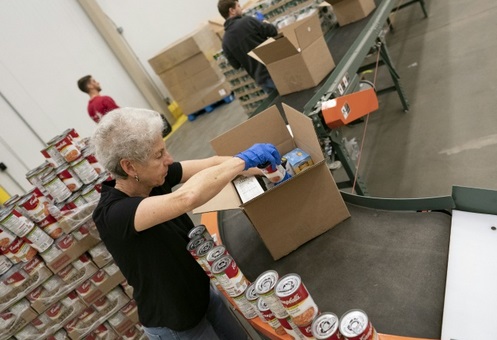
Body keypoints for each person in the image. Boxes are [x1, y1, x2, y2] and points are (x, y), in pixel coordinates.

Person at [91, 107, 281, 340]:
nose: (169, 160)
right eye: (159, 155)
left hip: (203, 295)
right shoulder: (114, 214)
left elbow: (211, 164)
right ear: (130, 167)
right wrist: (242, 161)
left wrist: (267, 171)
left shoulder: (153, 178)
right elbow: (186, 198)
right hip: (176, 323)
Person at [218, 0, 278, 94]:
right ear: (232, 10)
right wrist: (264, 22)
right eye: (238, 6)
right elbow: (273, 31)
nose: (241, 8)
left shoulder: (225, 42)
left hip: (262, 80)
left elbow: (236, 65)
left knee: (282, 106)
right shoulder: (247, 21)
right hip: (276, 69)